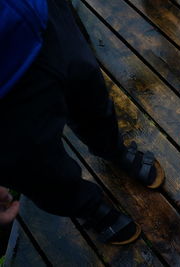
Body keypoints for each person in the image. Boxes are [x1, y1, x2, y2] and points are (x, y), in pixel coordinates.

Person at [0, 0, 165, 245]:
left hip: (41, 12)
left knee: (91, 96)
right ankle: (87, 206)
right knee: (39, 170)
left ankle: (113, 150)